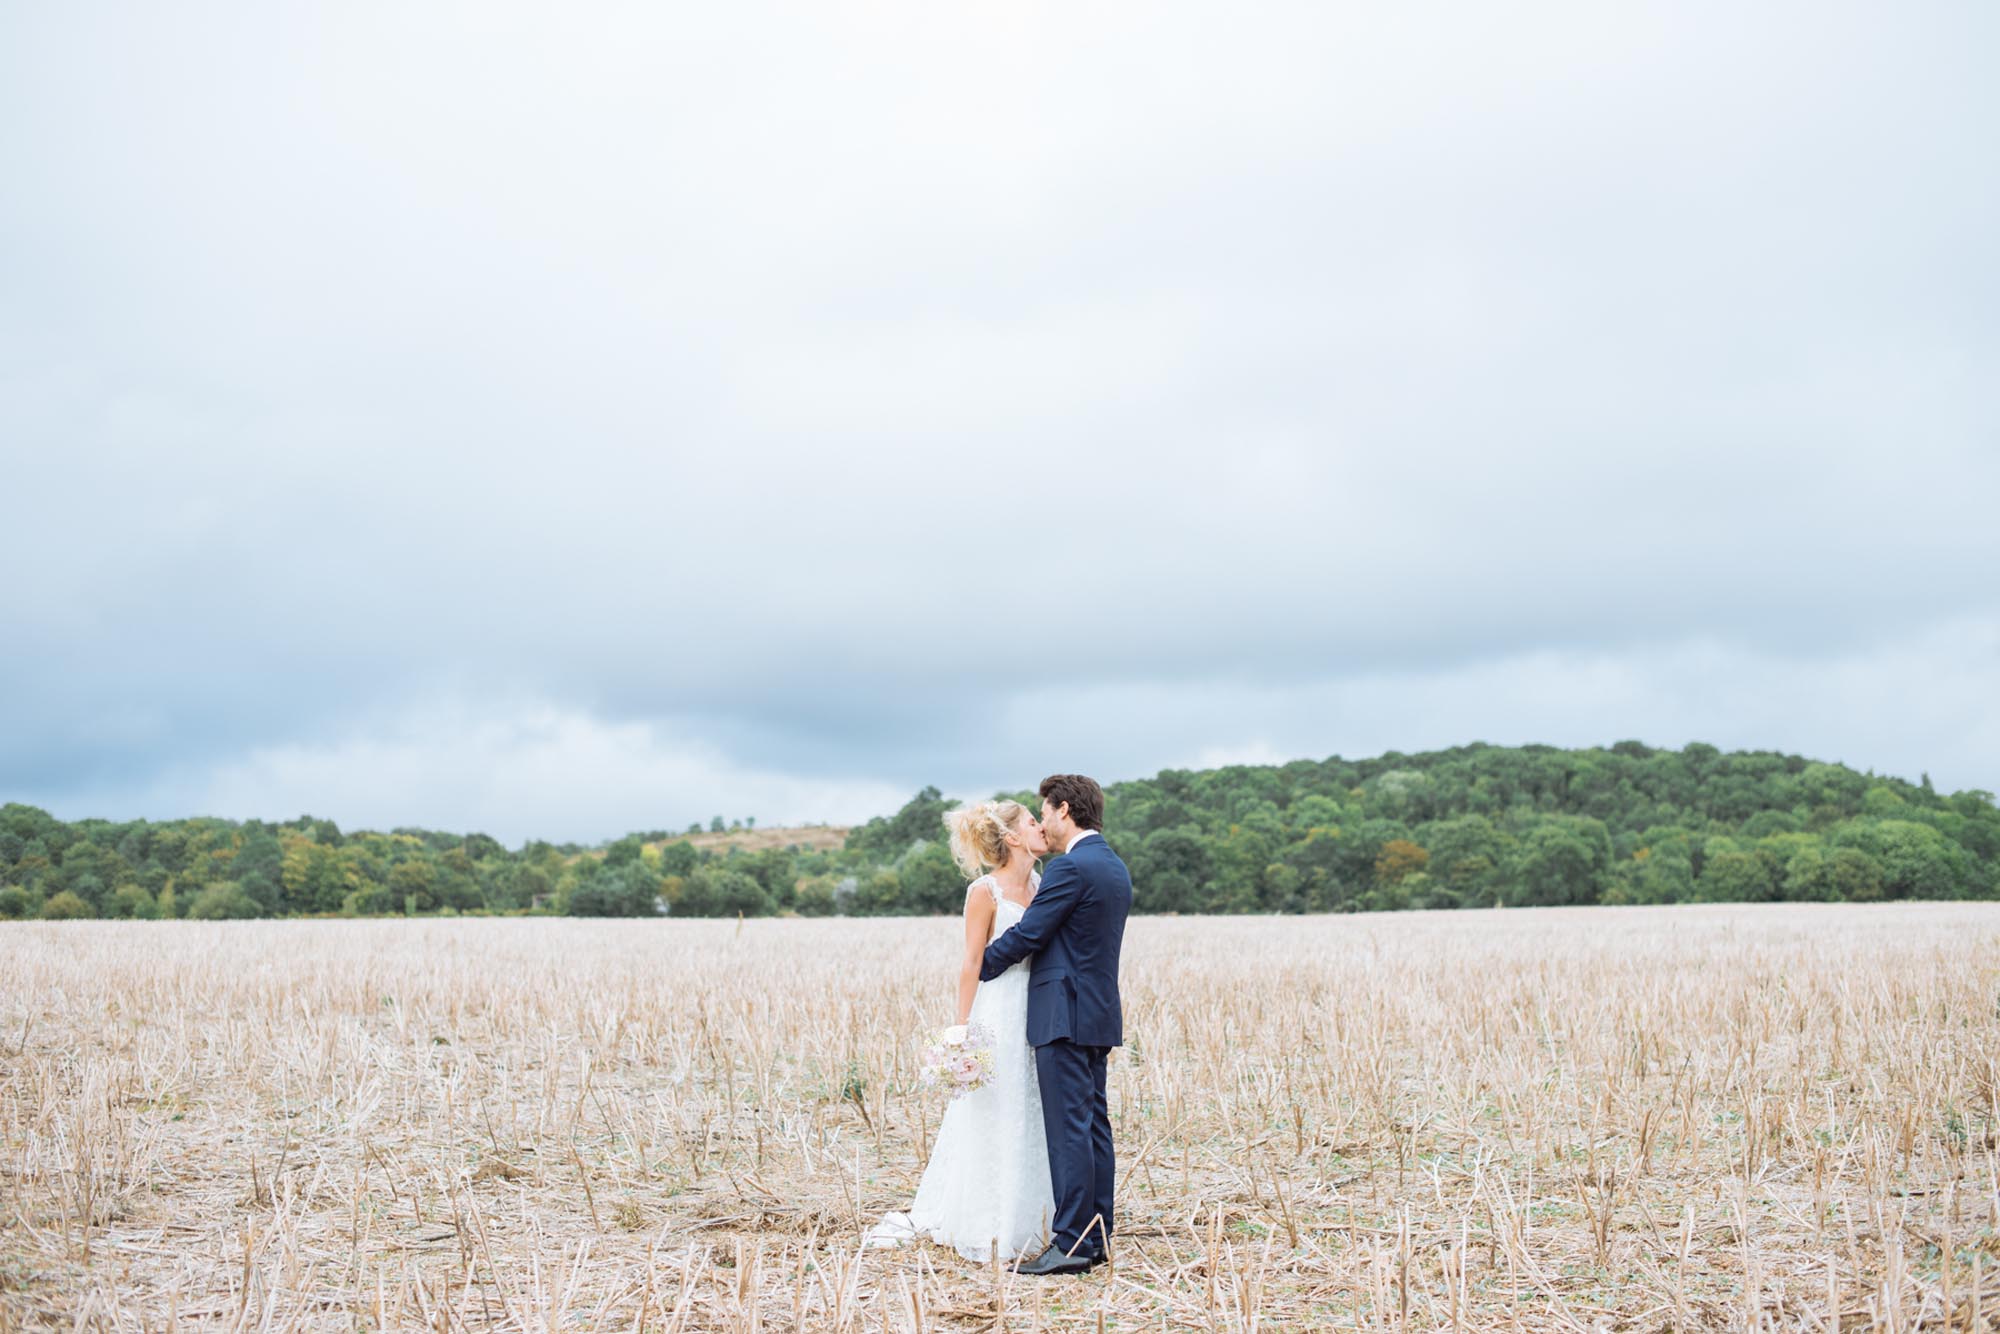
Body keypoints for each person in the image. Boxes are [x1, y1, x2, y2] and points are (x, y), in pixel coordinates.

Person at [863, 799, 1058, 1263]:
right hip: (999, 1008)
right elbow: (972, 961)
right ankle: (987, 1216)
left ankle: (1037, 1214)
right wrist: (960, 1029)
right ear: (1013, 837)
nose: (1042, 827)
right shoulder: (983, 892)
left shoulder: (1042, 882)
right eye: (1033, 822)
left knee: (1032, 1103)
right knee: (996, 1104)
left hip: (1040, 1004)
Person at [979, 773, 1131, 1276]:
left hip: (1062, 1016)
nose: (1042, 820)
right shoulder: (1113, 866)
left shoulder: (1071, 869)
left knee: (1069, 1130)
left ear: (1064, 810)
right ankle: (1098, 1234)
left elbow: (1029, 934)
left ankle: (1071, 1243)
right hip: (1098, 1013)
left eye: (1044, 811)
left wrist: (982, 965)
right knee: (1093, 1129)